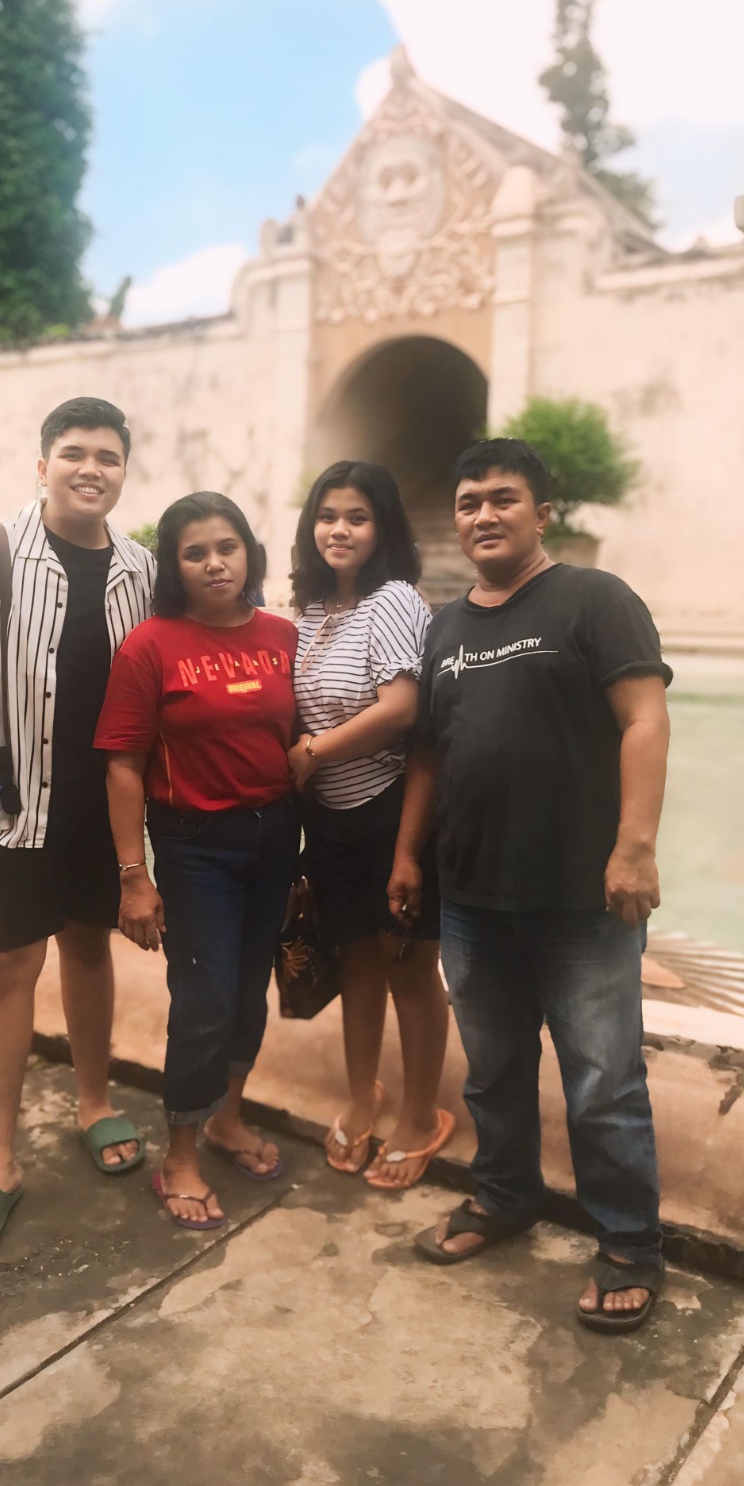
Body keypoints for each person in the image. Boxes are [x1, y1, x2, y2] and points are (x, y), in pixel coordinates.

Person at [392, 437, 671, 1334]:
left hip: (583, 899)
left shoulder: (596, 600)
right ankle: (506, 1197)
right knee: (494, 1071)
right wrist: (407, 855)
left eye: (503, 499)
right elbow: (430, 757)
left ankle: (628, 1244)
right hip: (473, 896)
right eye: (469, 502)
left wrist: (635, 848)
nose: (483, 515)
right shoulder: (444, 628)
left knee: (604, 1084)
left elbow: (645, 718)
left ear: (542, 514)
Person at [0, 396, 156, 1251]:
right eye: (74, 453)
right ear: (43, 466)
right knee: (6, 968)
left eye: (107, 456)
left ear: (123, 471)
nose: (90, 468)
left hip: (103, 812)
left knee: (90, 949)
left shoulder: (140, 569)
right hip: (15, 805)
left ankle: (93, 1102)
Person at [96, 492, 298, 1229]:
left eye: (227, 547)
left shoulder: (282, 635)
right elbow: (124, 766)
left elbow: (299, 739)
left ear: (249, 552)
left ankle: (228, 1119)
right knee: (204, 1000)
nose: (215, 564)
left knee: (248, 992)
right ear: (174, 567)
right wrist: (134, 876)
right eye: (195, 553)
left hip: (275, 836)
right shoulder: (150, 646)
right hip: (195, 846)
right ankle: (179, 1154)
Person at [287, 461, 452, 1189]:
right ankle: (364, 1096)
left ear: (383, 527)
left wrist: (312, 754)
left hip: (389, 808)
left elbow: (403, 708)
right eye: (328, 516)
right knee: (356, 959)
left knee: (409, 966)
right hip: (329, 818)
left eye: (357, 517)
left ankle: (420, 1115)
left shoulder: (393, 600)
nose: (340, 530)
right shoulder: (313, 610)